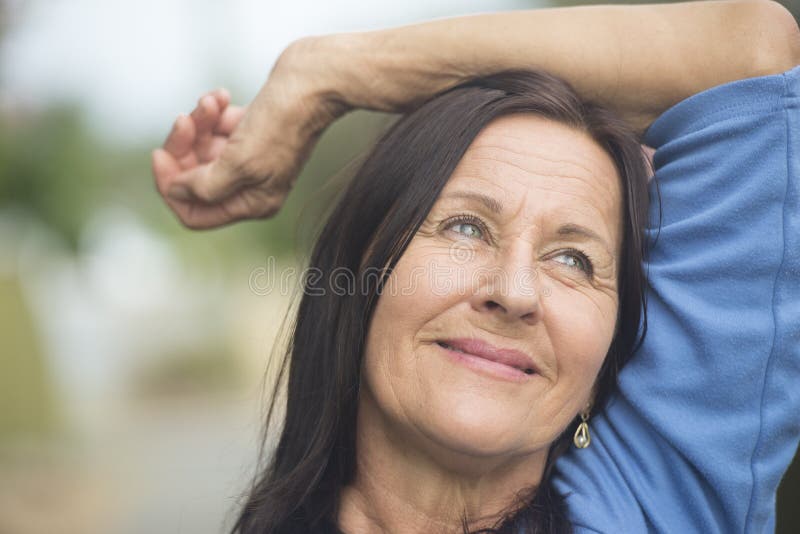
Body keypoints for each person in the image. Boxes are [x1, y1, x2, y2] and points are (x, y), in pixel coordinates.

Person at [151, 1, 800, 532]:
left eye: (573, 259)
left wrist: (324, 76)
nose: (515, 293)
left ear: (608, 358)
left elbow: (755, 54)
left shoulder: (654, 506)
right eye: (466, 227)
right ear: (363, 275)